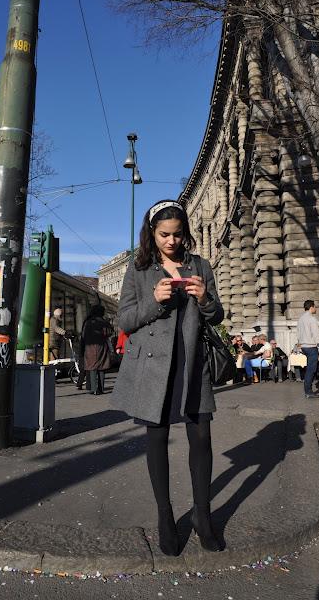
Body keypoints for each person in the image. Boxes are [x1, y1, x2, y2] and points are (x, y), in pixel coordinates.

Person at [111, 199, 224, 556]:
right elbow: (125, 321)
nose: (171, 241)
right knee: (156, 440)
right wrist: (156, 301)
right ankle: (165, 516)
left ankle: (202, 518)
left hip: (193, 364)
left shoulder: (200, 266)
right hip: (153, 368)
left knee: (202, 437)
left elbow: (217, 315)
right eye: (164, 235)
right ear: (152, 233)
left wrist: (205, 298)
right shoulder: (140, 269)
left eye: (177, 234)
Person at [81, 304, 113, 395]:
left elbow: (83, 336)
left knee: (92, 368)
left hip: (89, 347)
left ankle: (93, 389)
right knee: (102, 367)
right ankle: (101, 389)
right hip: (101, 346)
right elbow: (109, 333)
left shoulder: (88, 322)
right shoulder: (104, 322)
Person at [297, 299, 319, 399]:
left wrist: (300, 345)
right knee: (311, 370)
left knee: (310, 369)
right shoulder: (312, 319)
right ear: (311, 307)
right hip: (311, 346)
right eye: (315, 306)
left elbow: (298, 333)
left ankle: (308, 390)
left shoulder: (301, 319)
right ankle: (308, 392)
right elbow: (316, 335)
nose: (316, 308)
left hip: (304, 346)